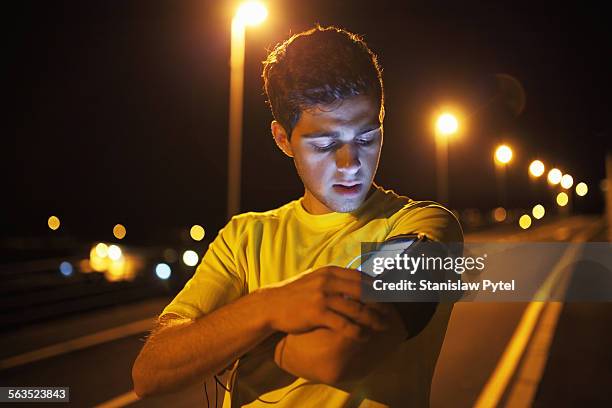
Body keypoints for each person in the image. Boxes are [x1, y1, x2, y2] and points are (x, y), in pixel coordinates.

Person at [132, 25, 463, 407]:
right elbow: (150, 372)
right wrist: (271, 306)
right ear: (282, 139)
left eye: (367, 137)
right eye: (325, 144)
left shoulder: (424, 226)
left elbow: (342, 352)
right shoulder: (244, 237)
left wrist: (238, 338)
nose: (350, 164)